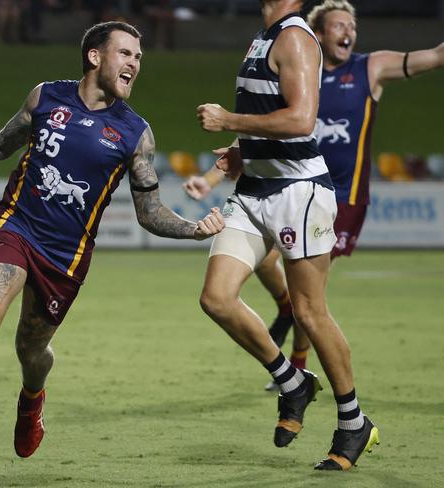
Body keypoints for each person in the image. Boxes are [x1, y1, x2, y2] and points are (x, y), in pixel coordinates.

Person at [0, 21, 224, 483]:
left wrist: (194, 230)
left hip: (65, 258)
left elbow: (148, 212)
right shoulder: (46, 97)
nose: (134, 63)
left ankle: (33, 400)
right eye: (126, 53)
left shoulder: (135, 134)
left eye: (139, 57)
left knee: (31, 351)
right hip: (17, 227)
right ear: (95, 56)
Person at [185, 0, 444, 391]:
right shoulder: (276, 48)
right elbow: (260, 123)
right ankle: (295, 370)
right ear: (321, 32)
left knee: (310, 305)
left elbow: (433, 57)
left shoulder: (364, 67)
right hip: (271, 185)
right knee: (265, 287)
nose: (347, 32)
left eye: (351, 25)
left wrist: (227, 122)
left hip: (334, 194)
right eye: (338, 25)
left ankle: (313, 377)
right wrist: (214, 174)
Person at [195, 0, 380, 471]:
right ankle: (293, 381)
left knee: (310, 312)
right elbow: (268, 109)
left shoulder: (295, 37)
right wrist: (241, 149)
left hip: (297, 192)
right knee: (216, 298)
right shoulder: (265, 33)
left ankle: (354, 421)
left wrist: (230, 120)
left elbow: (300, 119)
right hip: (254, 187)